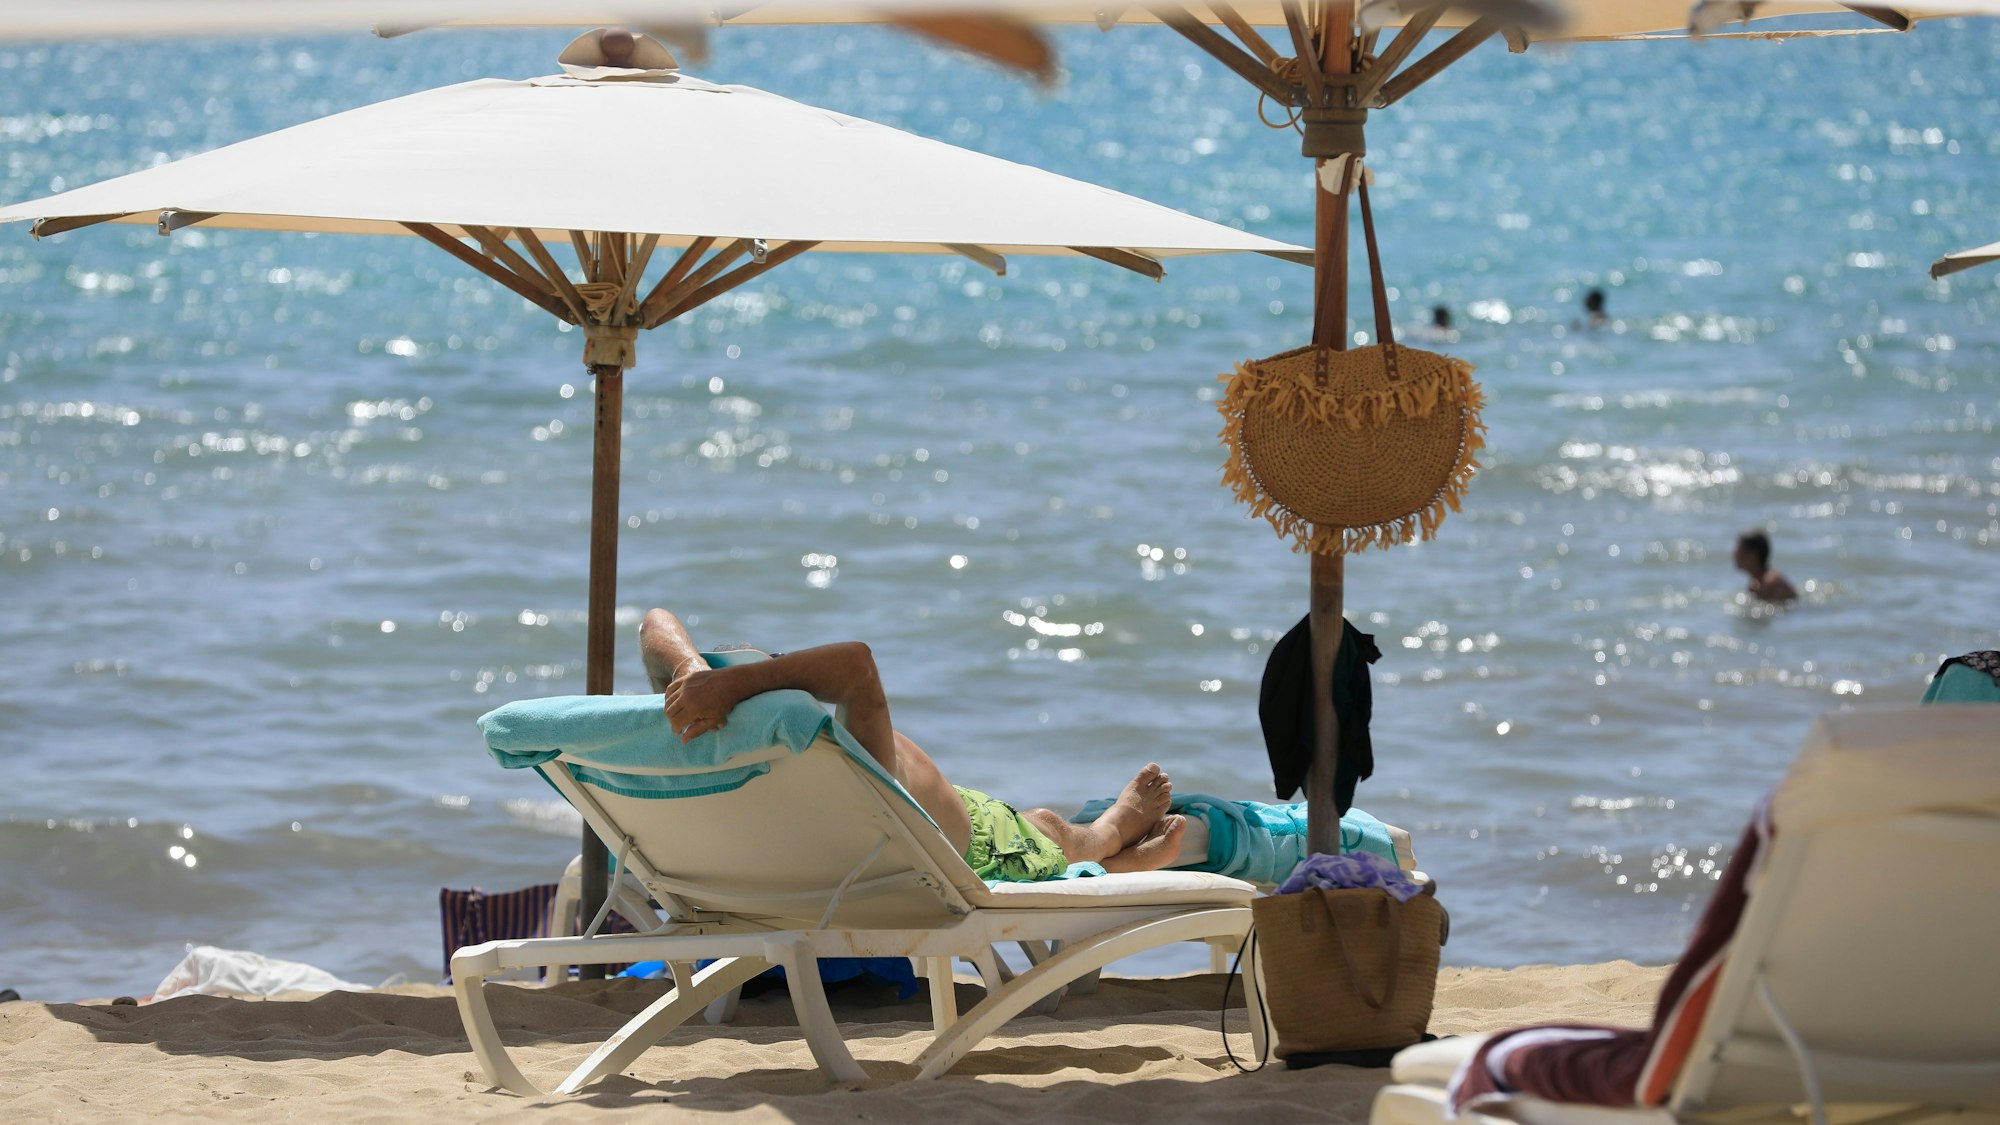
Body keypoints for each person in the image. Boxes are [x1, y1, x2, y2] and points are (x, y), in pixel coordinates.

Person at [638, 607, 1187, 877]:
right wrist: (738, 681)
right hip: (980, 850)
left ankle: (1109, 843)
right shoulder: (849, 766)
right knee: (1059, 832)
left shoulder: (708, 747)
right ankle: (1114, 836)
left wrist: (692, 673)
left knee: (1038, 822)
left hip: (886, 836)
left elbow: (653, 623)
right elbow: (856, 662)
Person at [1732, 530, 1798, 603]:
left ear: (1753, 555)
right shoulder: (1755, 584)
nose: (1735, 554)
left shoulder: (1773, 583)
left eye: (1739, 550)